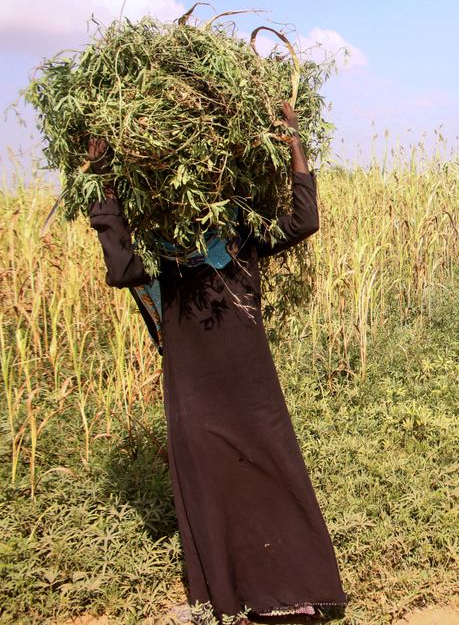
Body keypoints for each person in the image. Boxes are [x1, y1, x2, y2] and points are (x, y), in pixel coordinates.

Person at [87, 102, 345, 621]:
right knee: (213, 488)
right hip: (195, 395)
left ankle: (294, 590)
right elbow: (119, 268)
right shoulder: (164, 258)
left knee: (274, 472)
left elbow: (304, 218)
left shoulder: (240, 239)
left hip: (252, 391)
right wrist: (103, 184)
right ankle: (227, 598)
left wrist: (292, 140)